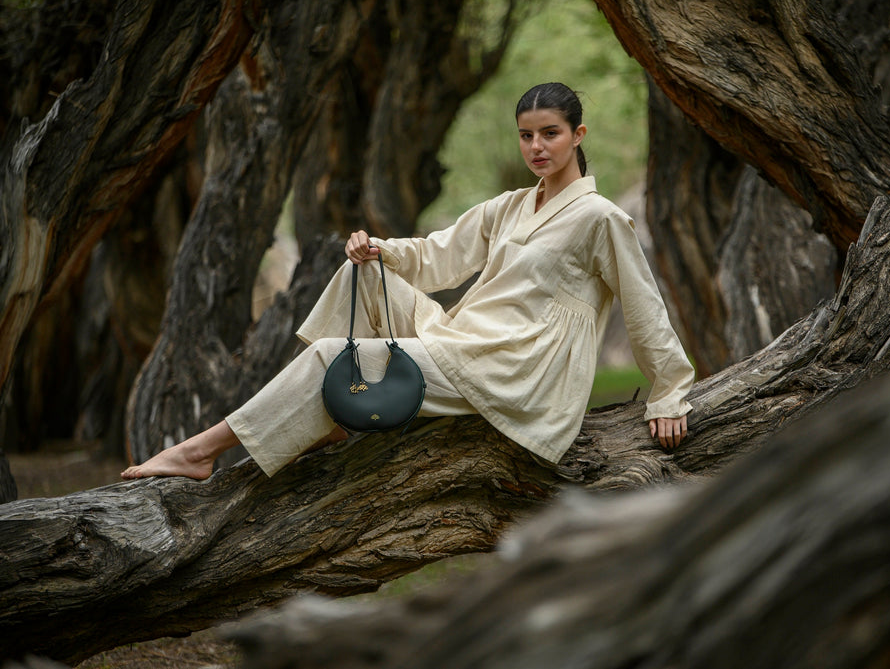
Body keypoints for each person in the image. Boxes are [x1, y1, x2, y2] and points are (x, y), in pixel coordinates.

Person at [121, 82, 694, 481]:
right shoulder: (512, 206)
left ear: (578, 134)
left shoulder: (600, 218)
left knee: (329, 358)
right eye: (526, 136)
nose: (537, 147)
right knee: (360, 272)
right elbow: (437, 258)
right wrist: (376, 247)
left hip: (519, 367)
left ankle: (201, 451)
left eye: (550, 133)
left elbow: (645, 306)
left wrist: (667, 391)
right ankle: (328, 416)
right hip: (469, 341)